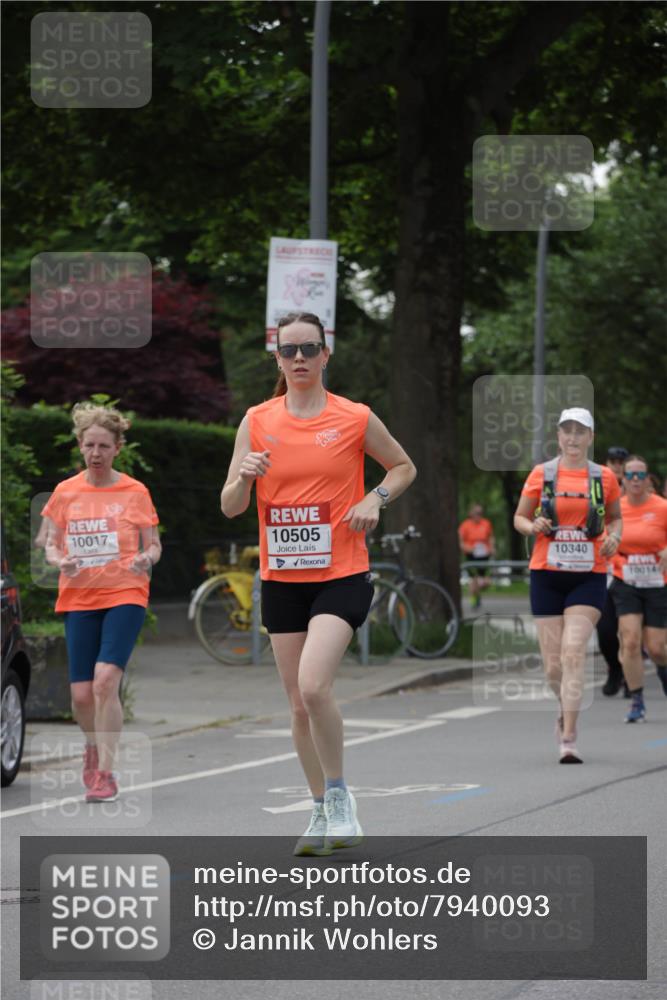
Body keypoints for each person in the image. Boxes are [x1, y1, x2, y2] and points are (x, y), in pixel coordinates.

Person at [221, 312, 416, 855]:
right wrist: (244, 477)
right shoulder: (256, 420)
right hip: (282, 578)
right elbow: (230, 506)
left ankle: (339, 797)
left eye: (309, 348)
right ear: (278, 358)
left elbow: (403, 466)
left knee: (313, 686)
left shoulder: (353, 417)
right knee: (298, 704)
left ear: (326, 354)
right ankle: (318, 809)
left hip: (341, 573)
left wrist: (374, 498)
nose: (300, 358)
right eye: (289, 351)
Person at [41, 404, 161, 802]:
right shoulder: (65, 492)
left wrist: (145, 559)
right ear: (80, 445)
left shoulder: (134, 492)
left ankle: (106, 773)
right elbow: (51, 545)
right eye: (89, 445)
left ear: (117, 448)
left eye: (104, 446)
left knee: (106, 680)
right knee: (81, 696)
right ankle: (93, 747)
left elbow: (154, 545)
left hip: (125, 593)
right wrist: (60, 560)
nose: (96, 453)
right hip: (79, 597)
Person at [513, 408, 622, 764]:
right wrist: (533, 527)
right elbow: (519, 517)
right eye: (567, 431)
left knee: (574, 651)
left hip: (588, 575)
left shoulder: (604, 477)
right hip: (547, 575)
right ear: (558, 437)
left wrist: (614, 538)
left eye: (580, 431)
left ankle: (569, 737)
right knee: (553, 667)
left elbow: (616, 519)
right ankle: (564, 708)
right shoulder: (542, 474)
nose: (573, 438)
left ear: (591, 437)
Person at [609, 455, 667, 722]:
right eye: (630, 475)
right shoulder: (615, 509)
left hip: (657, 582)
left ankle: (663, 674)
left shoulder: (662, 507)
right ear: (623, 479)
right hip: (626, 581)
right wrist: (615, 557)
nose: (635, 480)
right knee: (630, 641)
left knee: (656, 648)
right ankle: (636, 700)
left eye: (640, 475)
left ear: (647, 479)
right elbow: (605, 540)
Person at [598, 447, 630, 697]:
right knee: (606, 631)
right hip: (604, 570)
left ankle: (632, 677)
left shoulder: (637, 493)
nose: (617, 466)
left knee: (630, 631)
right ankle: (615, 668)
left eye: (621, 462)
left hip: (631, 573)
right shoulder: (597, 492)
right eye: (613, 461)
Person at [458, 504, 496, 608]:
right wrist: (467, 548)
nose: (478, 515)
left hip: (484, 556)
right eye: (476, 513)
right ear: (470, 513)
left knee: (485, 582)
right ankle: (474, 600)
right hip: (471, 556)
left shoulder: (486, 523)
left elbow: (491, 537)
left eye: (480, 513)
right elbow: (460, 542)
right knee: (474, 579)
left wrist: (492, 548)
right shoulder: (465, 525)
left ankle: (477, 593)